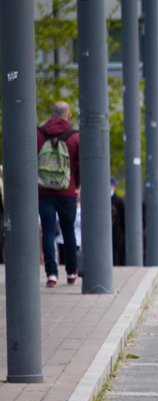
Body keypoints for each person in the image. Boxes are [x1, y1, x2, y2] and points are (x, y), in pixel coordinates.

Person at [37, 101, 80, 287]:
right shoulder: (75, 137)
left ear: (52, 114)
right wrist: (77, 186)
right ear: (68, 115)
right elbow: (80, 165)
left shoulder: (39, 134)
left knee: (48, 232)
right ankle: (71, 272)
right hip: (67, 191)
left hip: (44, 190)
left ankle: (51, 275)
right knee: (68, 231)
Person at [111, 178, 126, 265]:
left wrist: (123, 232)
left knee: (115, 251)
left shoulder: (118, 201)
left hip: (116, 230)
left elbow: (123, 217)